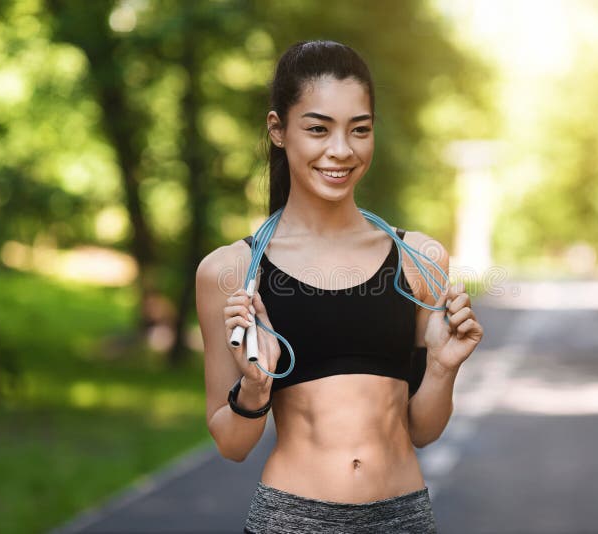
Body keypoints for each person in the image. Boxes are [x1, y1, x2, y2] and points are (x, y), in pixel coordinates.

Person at [195, 40, 483, 534]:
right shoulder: (236, 271)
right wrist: (255, 386)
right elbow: (231, 443)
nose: (341, 150)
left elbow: (423, 430)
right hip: (291, 518)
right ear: (278, 130)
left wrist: (440, 368)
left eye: (360, 130)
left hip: (403, 517)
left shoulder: (420, 259)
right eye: (317, 129)